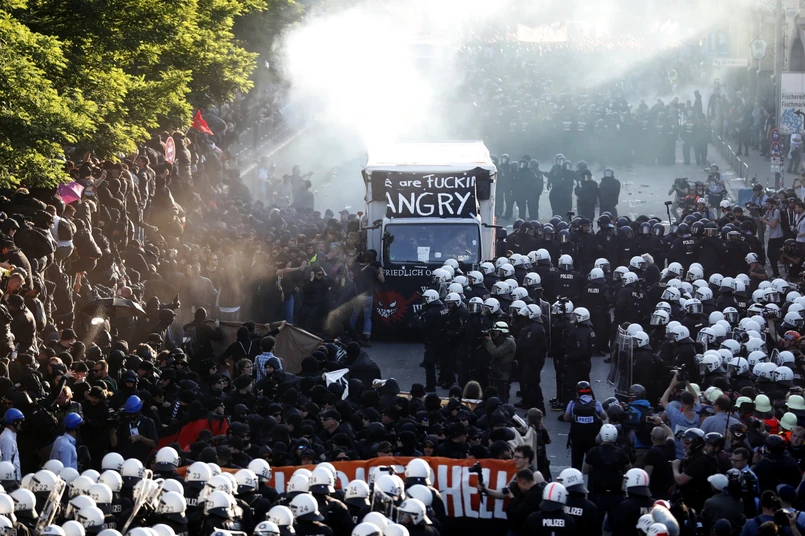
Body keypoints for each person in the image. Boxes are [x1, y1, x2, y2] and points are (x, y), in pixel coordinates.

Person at [583, 423, 631, 525]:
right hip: (616, 491)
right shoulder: (621, 452)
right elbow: (629, 469)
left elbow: (585, 470)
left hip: (597, 490)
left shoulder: (594, 451)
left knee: (596, 521)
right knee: (615, 521)